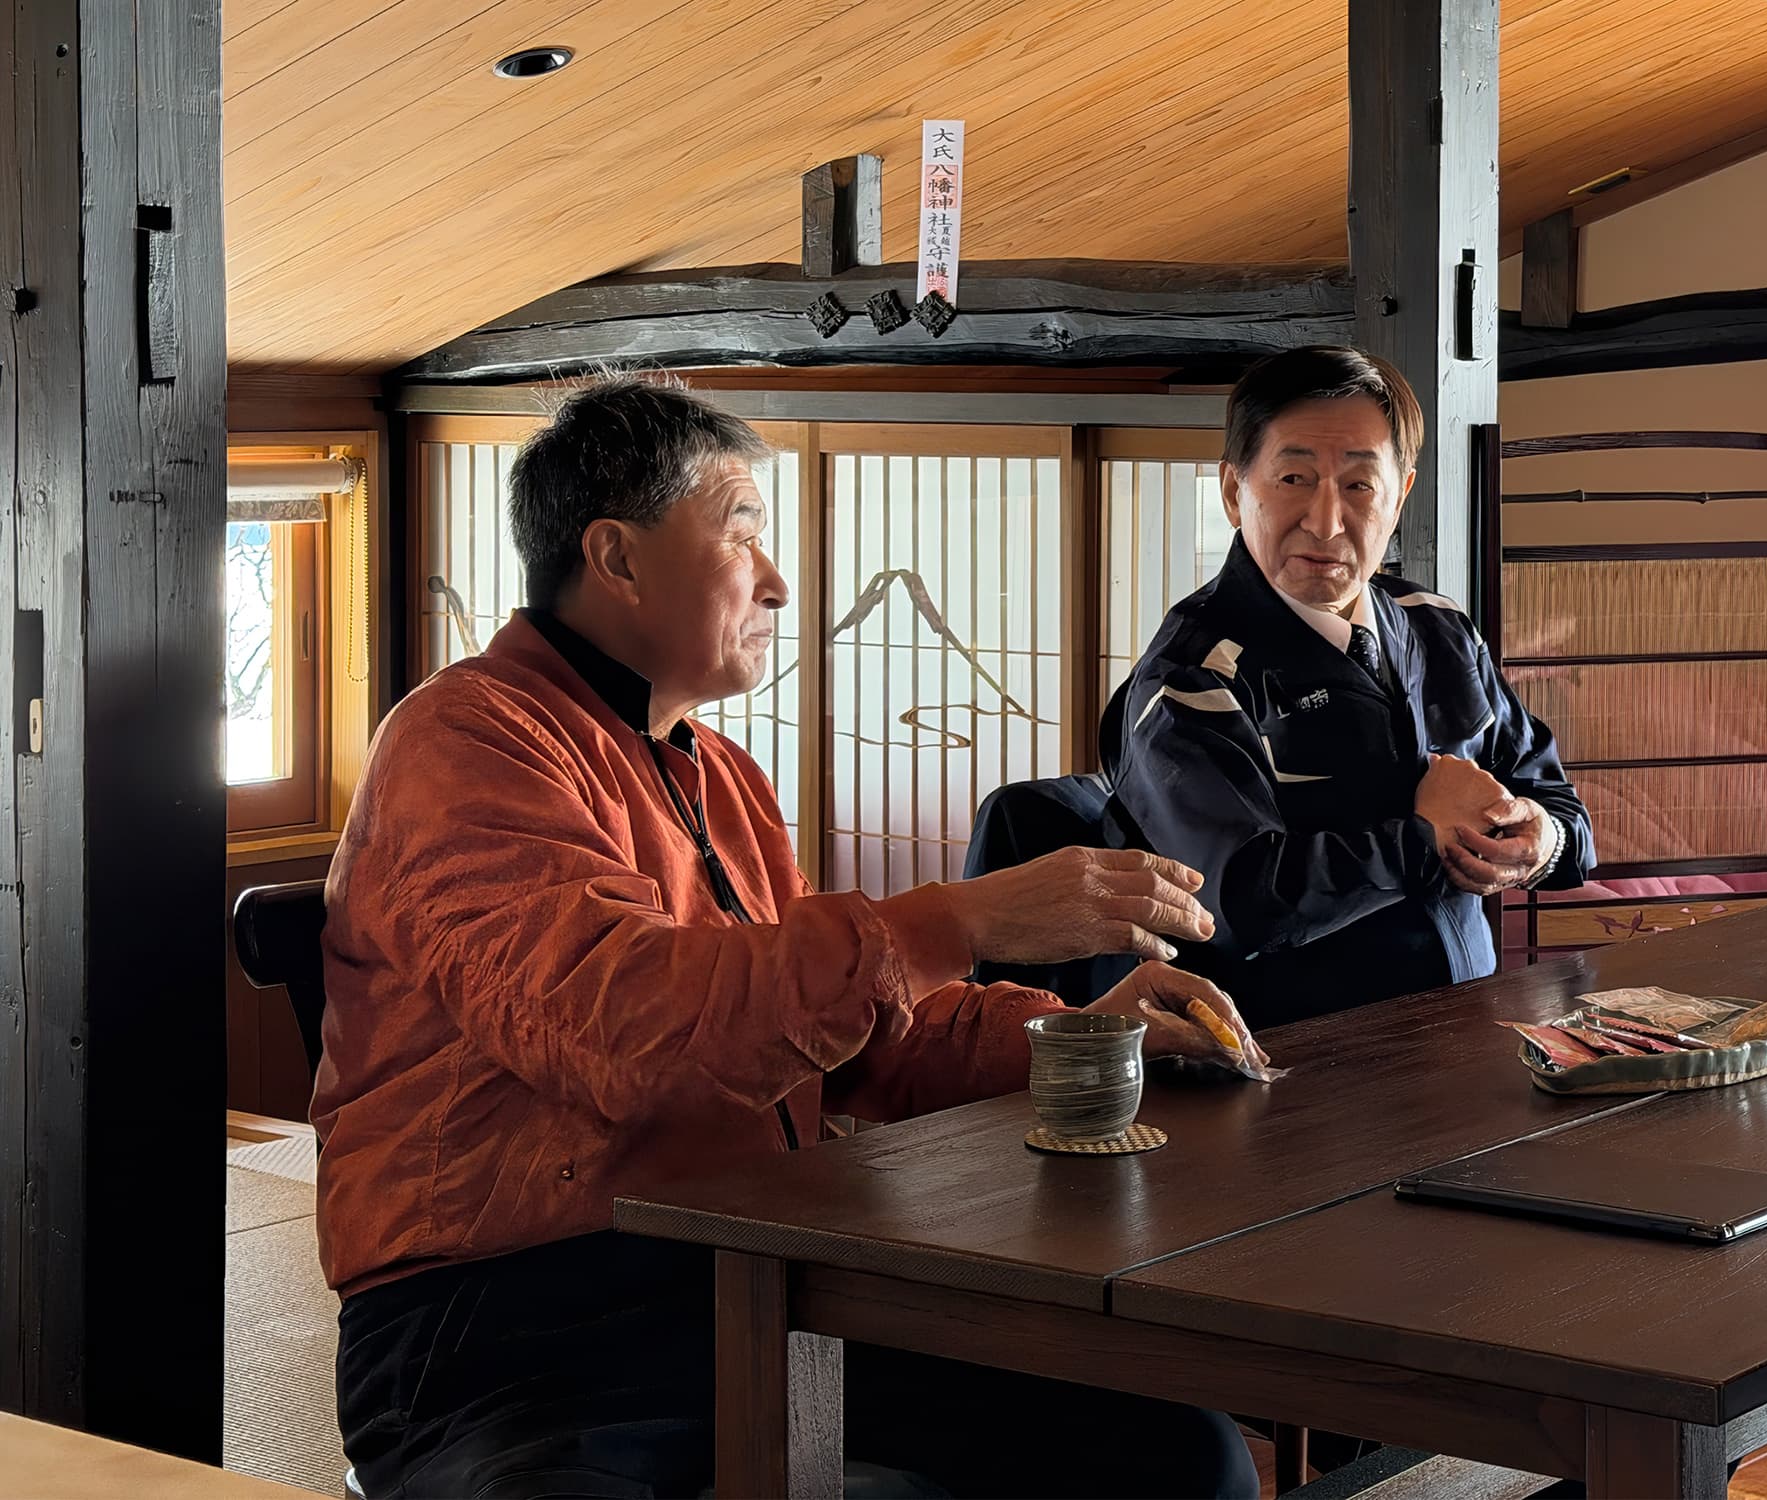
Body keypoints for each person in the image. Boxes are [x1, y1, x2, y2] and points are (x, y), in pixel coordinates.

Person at [315, 377, 1264, 1500]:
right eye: (741, 531)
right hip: (504, 1324)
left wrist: (1082, 1038)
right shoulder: (466, 738)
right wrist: (964, 917)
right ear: (615, 558)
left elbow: (859, 1037)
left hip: (751, 1281)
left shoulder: (719, 774)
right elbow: (616, 1028)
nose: (775, 582)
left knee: (1170, 1451)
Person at [1101, 347, 1594, 1029]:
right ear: (1232, 492)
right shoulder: (1192, 676)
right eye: (1295, 478)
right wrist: (1430, 839)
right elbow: (1236, 904)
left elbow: (1561, 808)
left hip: (1473, 1030)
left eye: (1360, 485)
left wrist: (1541, 842)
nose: (1327, 522)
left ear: (1401, 496)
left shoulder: (1438, 627)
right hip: (1297, 1067)